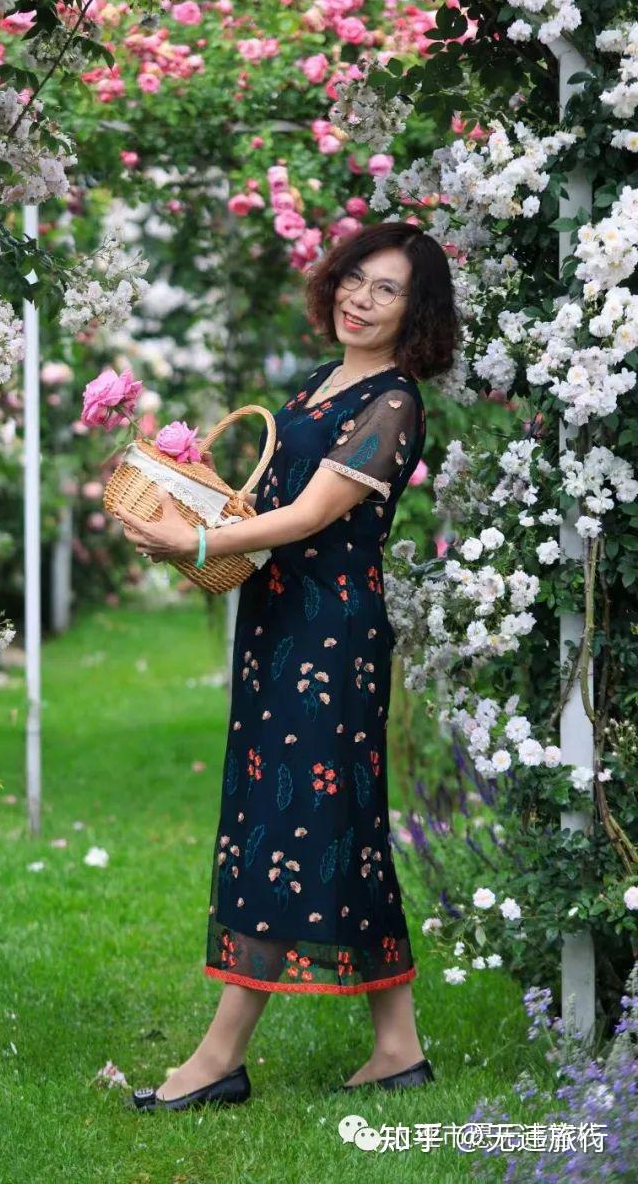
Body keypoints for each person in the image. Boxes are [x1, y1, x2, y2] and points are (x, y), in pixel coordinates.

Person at [111, 221, 458, 1110]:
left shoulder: (392, 402)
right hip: (278, 625)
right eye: (354, 278)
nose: (360, 298)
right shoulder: (317, 385)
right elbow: (259, 502)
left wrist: (196, 534)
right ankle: (398, 1046)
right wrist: (186, 494)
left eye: (387, 290)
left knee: (295, 822)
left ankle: (217, 1057)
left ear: (416, 313)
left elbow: (305, 518)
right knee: (341, 823)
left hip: (331, 639)